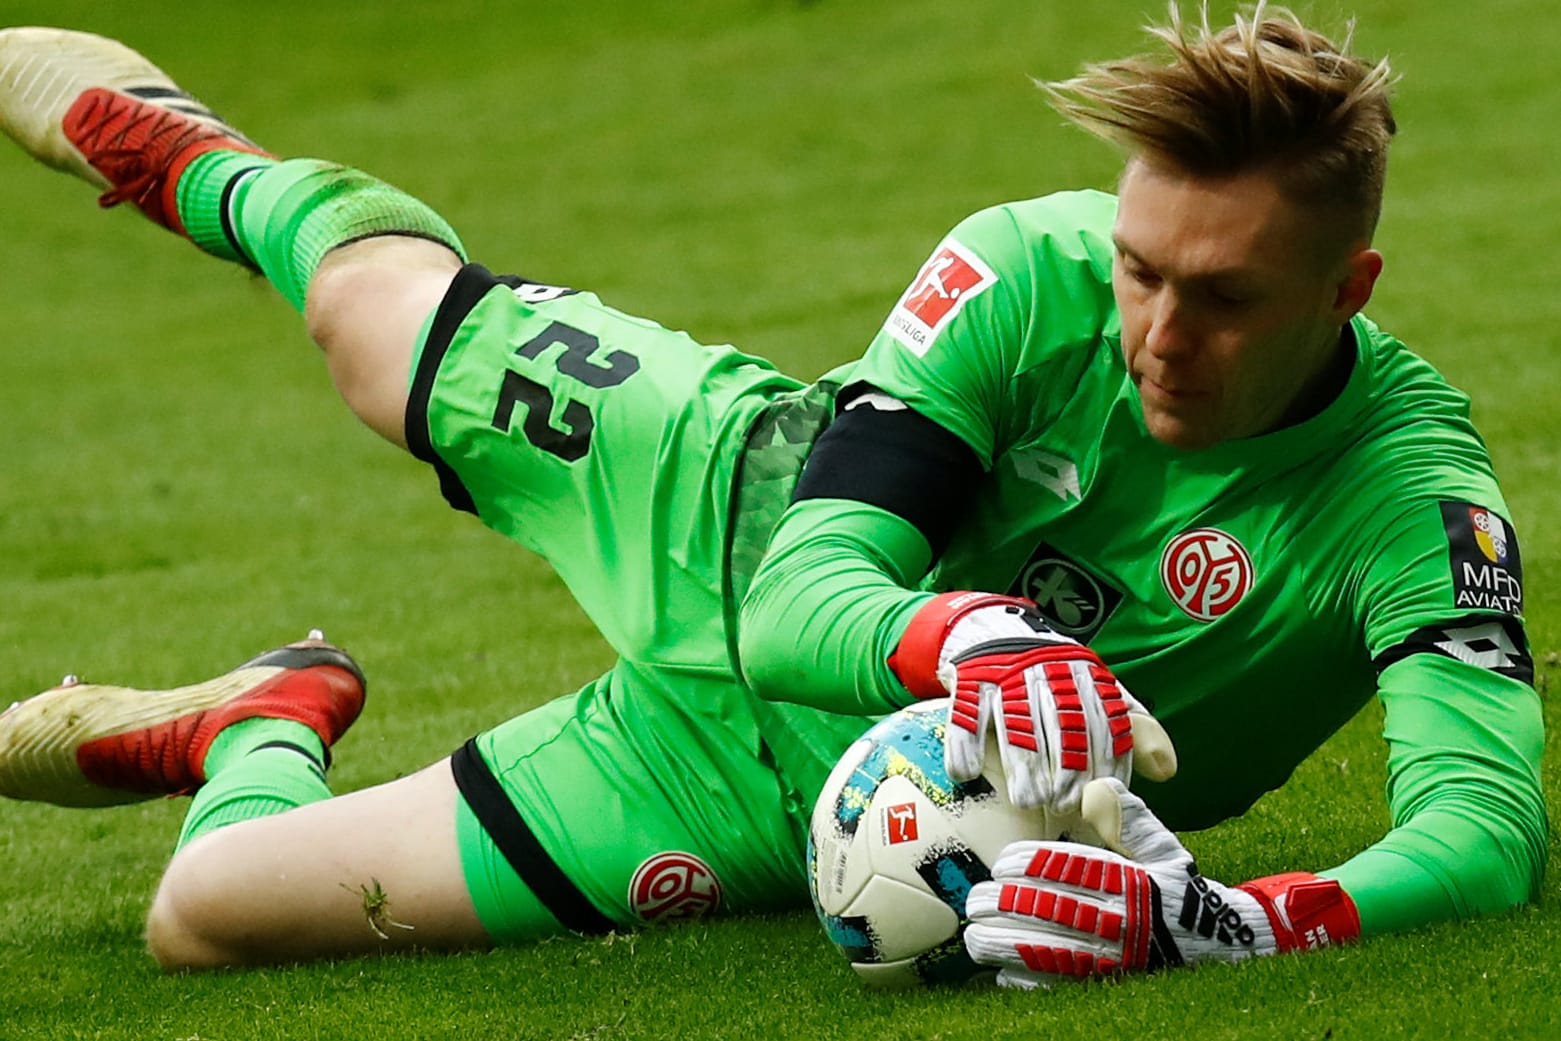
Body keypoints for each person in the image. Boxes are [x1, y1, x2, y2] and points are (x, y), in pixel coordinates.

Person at [0, 2, 1542, 986]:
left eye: (1219, 298)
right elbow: (812, 591)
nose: (1154, 331)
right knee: (361, 318)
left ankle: (264, 715)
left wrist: (1232, 920)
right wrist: (976, 641)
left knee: (204, 914)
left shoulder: (1413, 502)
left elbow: (1478, 835)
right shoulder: (1022, 267)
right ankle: (201, 159)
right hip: (727, 498)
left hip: (745, 784)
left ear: (1347, 287)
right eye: (1139, 270)